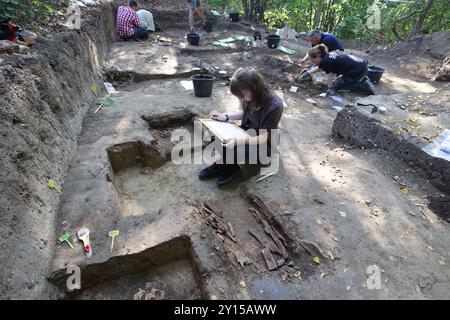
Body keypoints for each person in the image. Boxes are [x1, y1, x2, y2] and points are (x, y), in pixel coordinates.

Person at [198, 68, 284, 185]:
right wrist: (226, 117)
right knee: (217, 136)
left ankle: (231, 168)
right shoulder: (249, 94)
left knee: (234, 148)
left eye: (242, 95)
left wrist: (237, 141)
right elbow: (246, 113)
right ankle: (223, 164)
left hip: (264, 143)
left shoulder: (275, 105)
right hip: (247, 132)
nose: (241, 99)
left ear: (254, 87)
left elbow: (263, 138)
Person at [301, 44, 375, 96]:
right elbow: (320, 66)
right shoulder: (327, 56)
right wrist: (308, 72)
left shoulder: (325, 61)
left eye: (312, 60)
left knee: (337, 87)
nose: (313, 62)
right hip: (361, 65)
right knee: (338, 81)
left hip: (358, 70)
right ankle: (359, 78)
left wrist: (330, 88)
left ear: (316, 57)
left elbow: (329, 77)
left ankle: (362, 84)